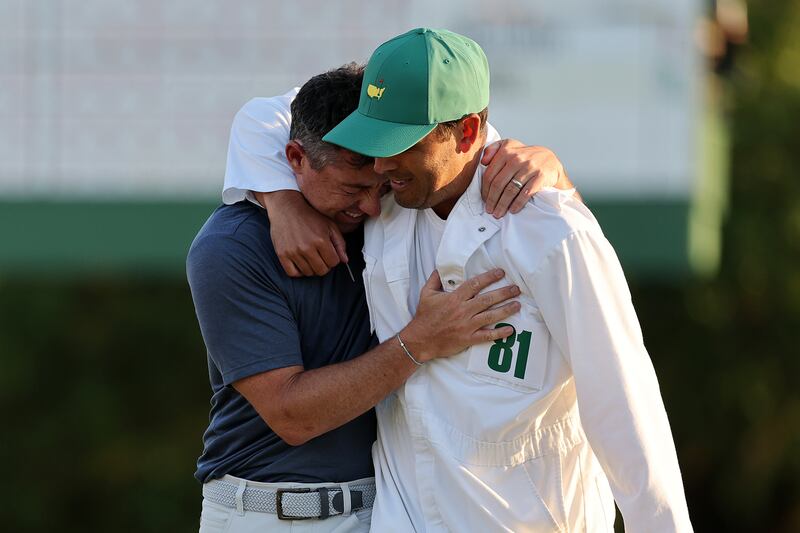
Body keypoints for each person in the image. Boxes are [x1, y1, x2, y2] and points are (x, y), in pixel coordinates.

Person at [259, 28, 694, 531]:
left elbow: (628, 414)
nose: (379, 166)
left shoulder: (553, 235)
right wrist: (280, 200)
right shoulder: (387, 207)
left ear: (467, 132)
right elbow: (262, 118)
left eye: (399, 143)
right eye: (372, 138)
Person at [187, 63, 569, 533]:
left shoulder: (389, 213)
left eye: (381, 187)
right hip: (266, 515)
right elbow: (292, 416)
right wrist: (419, 342)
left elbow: (462, 149)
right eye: (353, 189)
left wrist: (551, 169)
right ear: (295, 159)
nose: (371, 207)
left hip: (384, 513)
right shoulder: (230, 248)